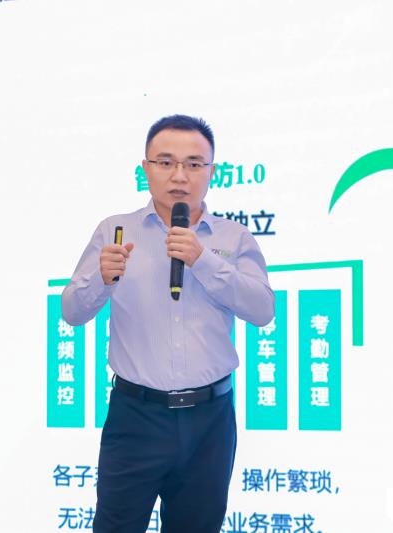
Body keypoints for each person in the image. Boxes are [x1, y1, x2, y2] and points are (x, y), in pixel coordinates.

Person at [61, 114, 274, 533]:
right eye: (165, 162)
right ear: (146, 168)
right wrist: (101, 278)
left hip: (209, 420)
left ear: (212, 171)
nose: (179, 175)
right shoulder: (115, 230)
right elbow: (72, 312)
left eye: (194, 164)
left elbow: (262, 310)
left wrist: (203, 260)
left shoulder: (233, 238)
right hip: (135, 416)